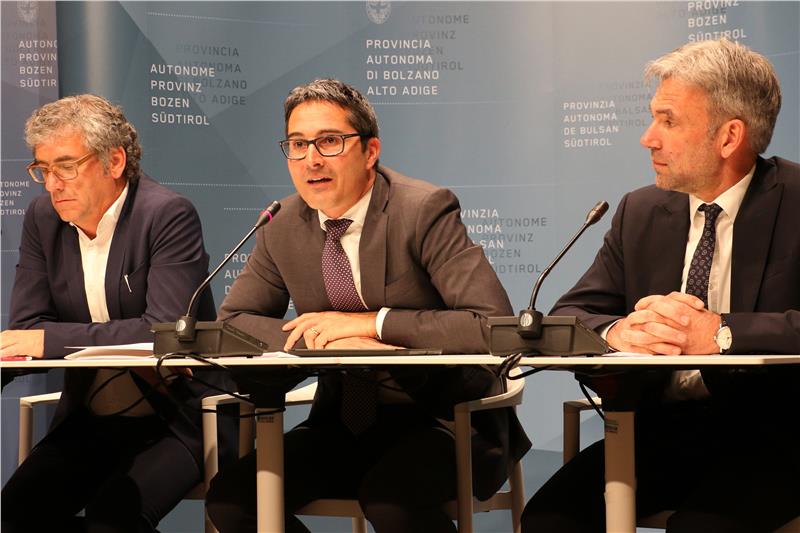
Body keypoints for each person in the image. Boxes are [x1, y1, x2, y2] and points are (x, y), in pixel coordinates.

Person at [205, 78, 531, 533]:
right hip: (342, 424)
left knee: (392, 499)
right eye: (297, 145)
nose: (311, 159)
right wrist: (319, 337)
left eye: (329, 141)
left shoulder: (422, 210)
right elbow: (234, 324)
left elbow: (492, 324)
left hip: (446, 418)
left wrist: (373, 325)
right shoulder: (281, 223)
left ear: (370, 150)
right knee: (233, 500)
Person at [521, 39, 800, 533]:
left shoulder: (794, 200)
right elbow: (570, 314)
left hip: (778, 437)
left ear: (729, 136)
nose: (648, 138)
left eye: (668, 122)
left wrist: (720, 334)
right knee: (548, 520)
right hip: (661, 430)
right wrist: (619, 332)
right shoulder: (641, 210)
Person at [1, 94, 235, 533]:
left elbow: (163, 331)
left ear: (114, 161)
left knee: (113, 518)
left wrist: (51, 340)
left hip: (178, 417)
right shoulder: (42, 218)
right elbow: (27, 326)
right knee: (17, 510)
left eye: (66, 167)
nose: (52, 185)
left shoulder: (165, 214)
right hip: (93, 417)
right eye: (43, 169)